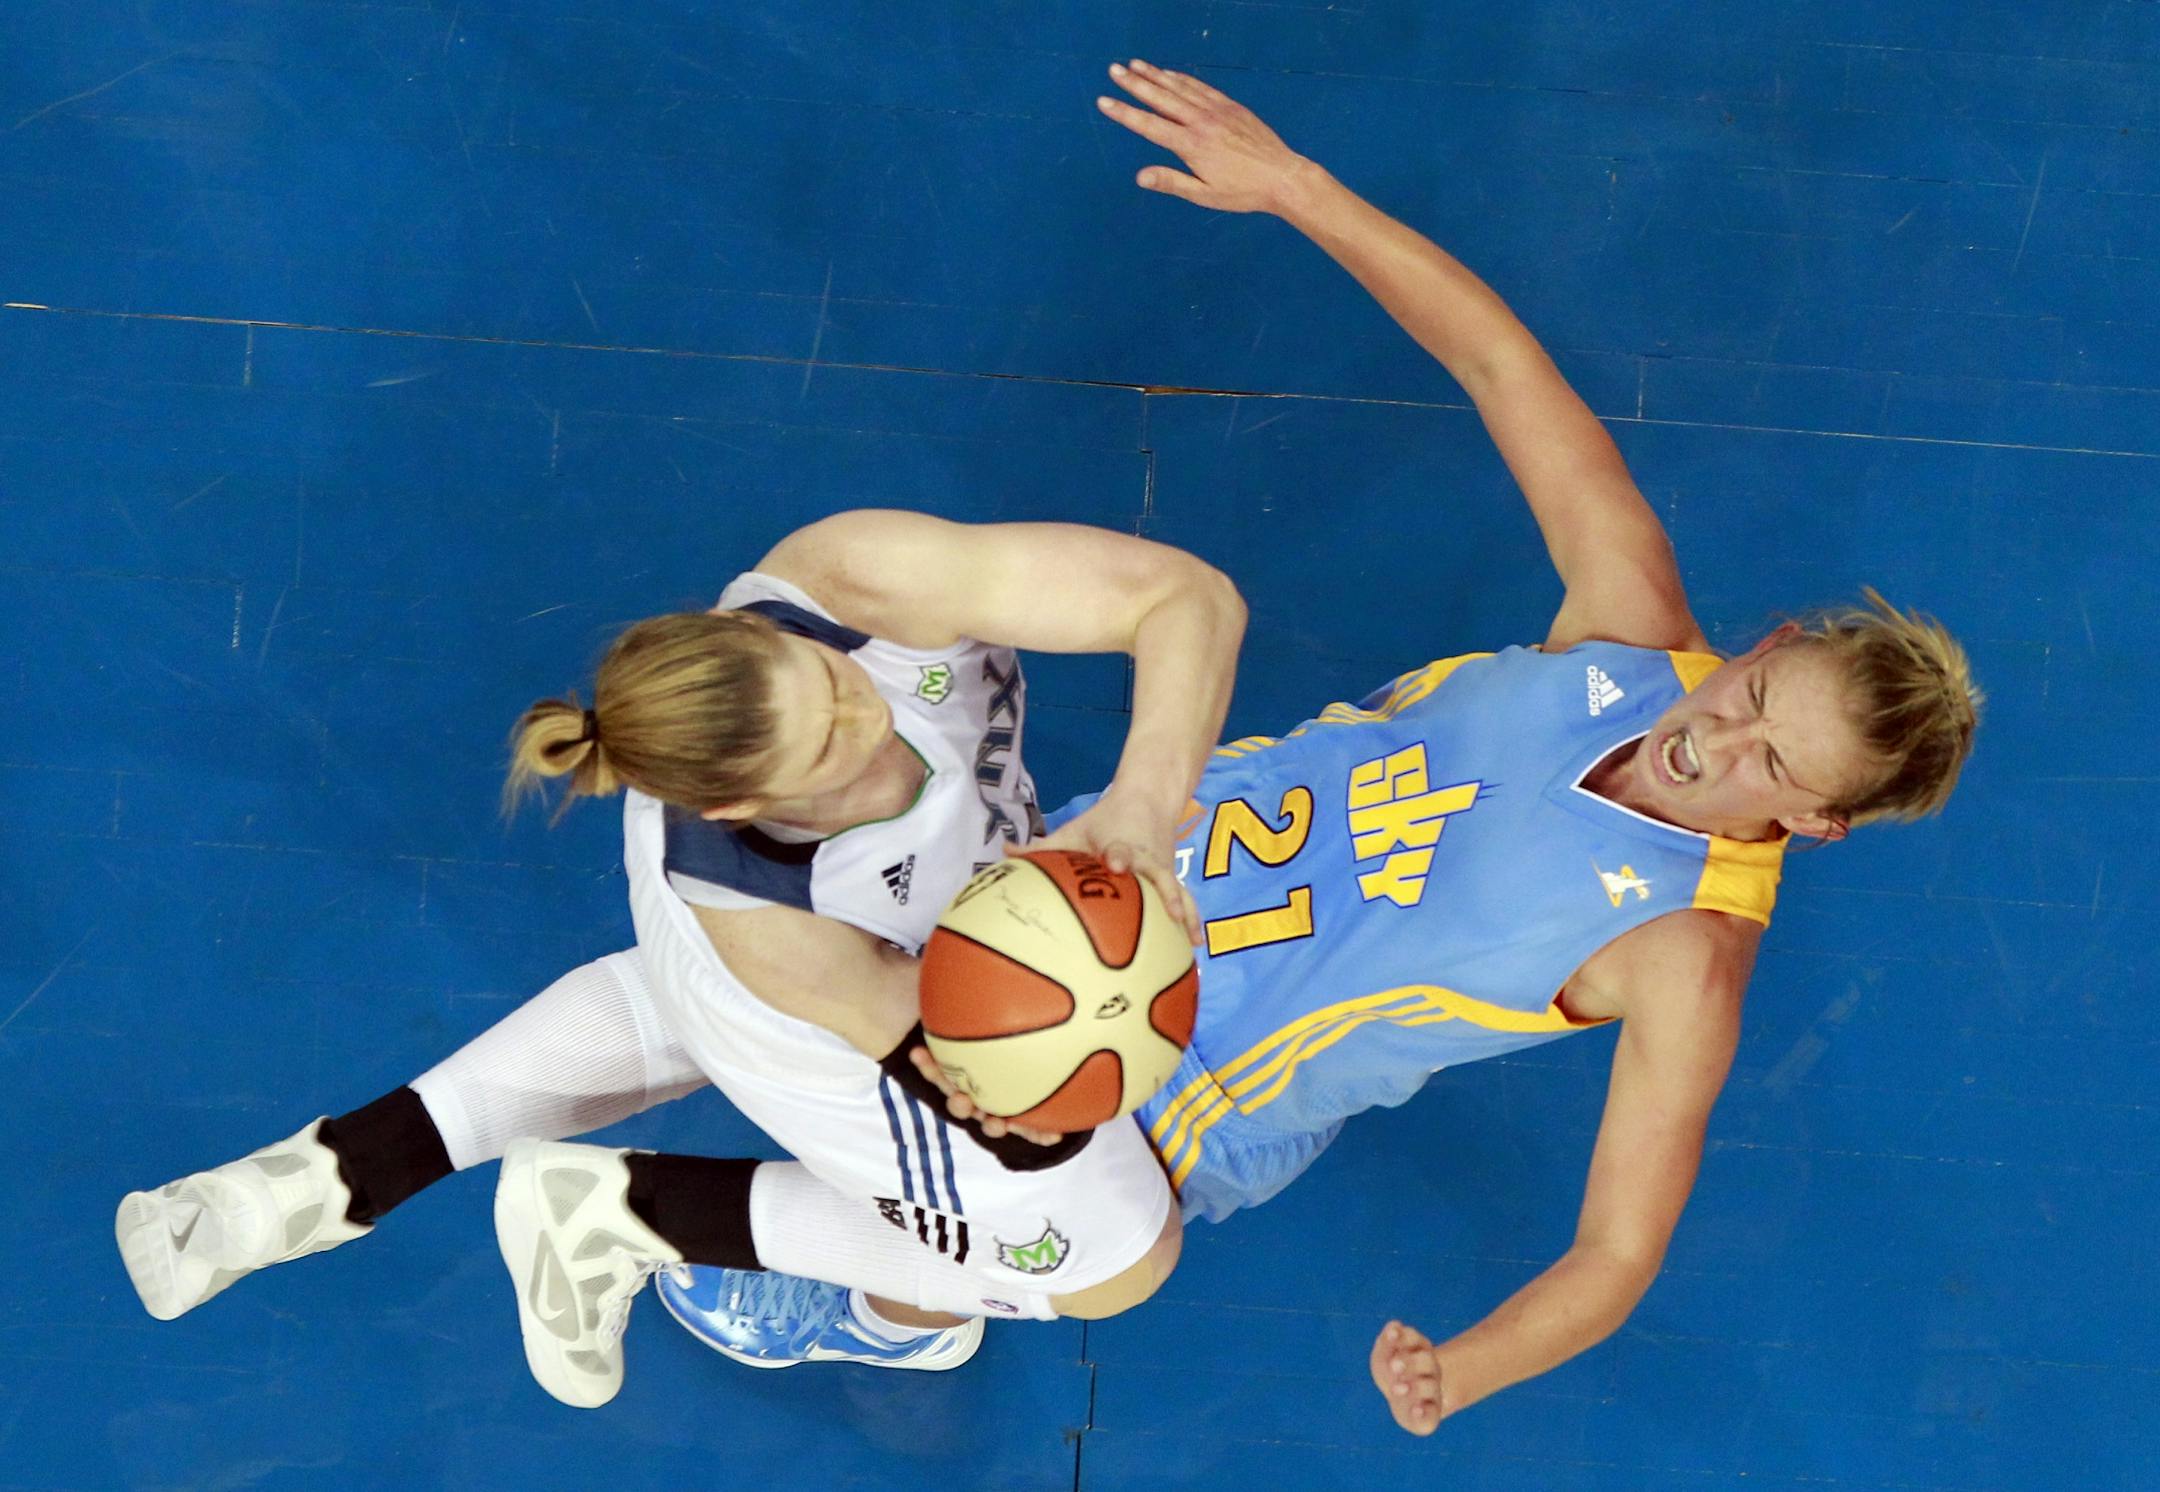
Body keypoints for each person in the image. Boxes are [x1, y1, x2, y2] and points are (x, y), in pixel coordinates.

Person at [669, 60, 1982, 1438]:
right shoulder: (1633, 633)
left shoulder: (1684, 959)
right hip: (1103, 877)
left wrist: (1470, 1367)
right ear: (1763, 641)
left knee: (942, 1196)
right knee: (841, 998)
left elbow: (1620, 1251)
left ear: (1823, 823)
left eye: (1779, 768)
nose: (1719, 742)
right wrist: (1297, 189)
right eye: (1754, 696)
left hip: (1176, 1097)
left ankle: (894, 1323)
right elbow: (1497, 361)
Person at [115, 509, 1246, 1407]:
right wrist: (1074, 1043)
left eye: (838, 686)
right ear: (742, 800)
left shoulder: (847, 577)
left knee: (680, 997)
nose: (868, 717)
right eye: (832, 744)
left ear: (764, 631)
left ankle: (327, 1178)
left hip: (708, 948)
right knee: (1112, 1259)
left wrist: (1145, 805)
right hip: (814, 1005)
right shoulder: (775, 929)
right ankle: (624, 1215)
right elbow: (1006, 1102)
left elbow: (1188, 596)